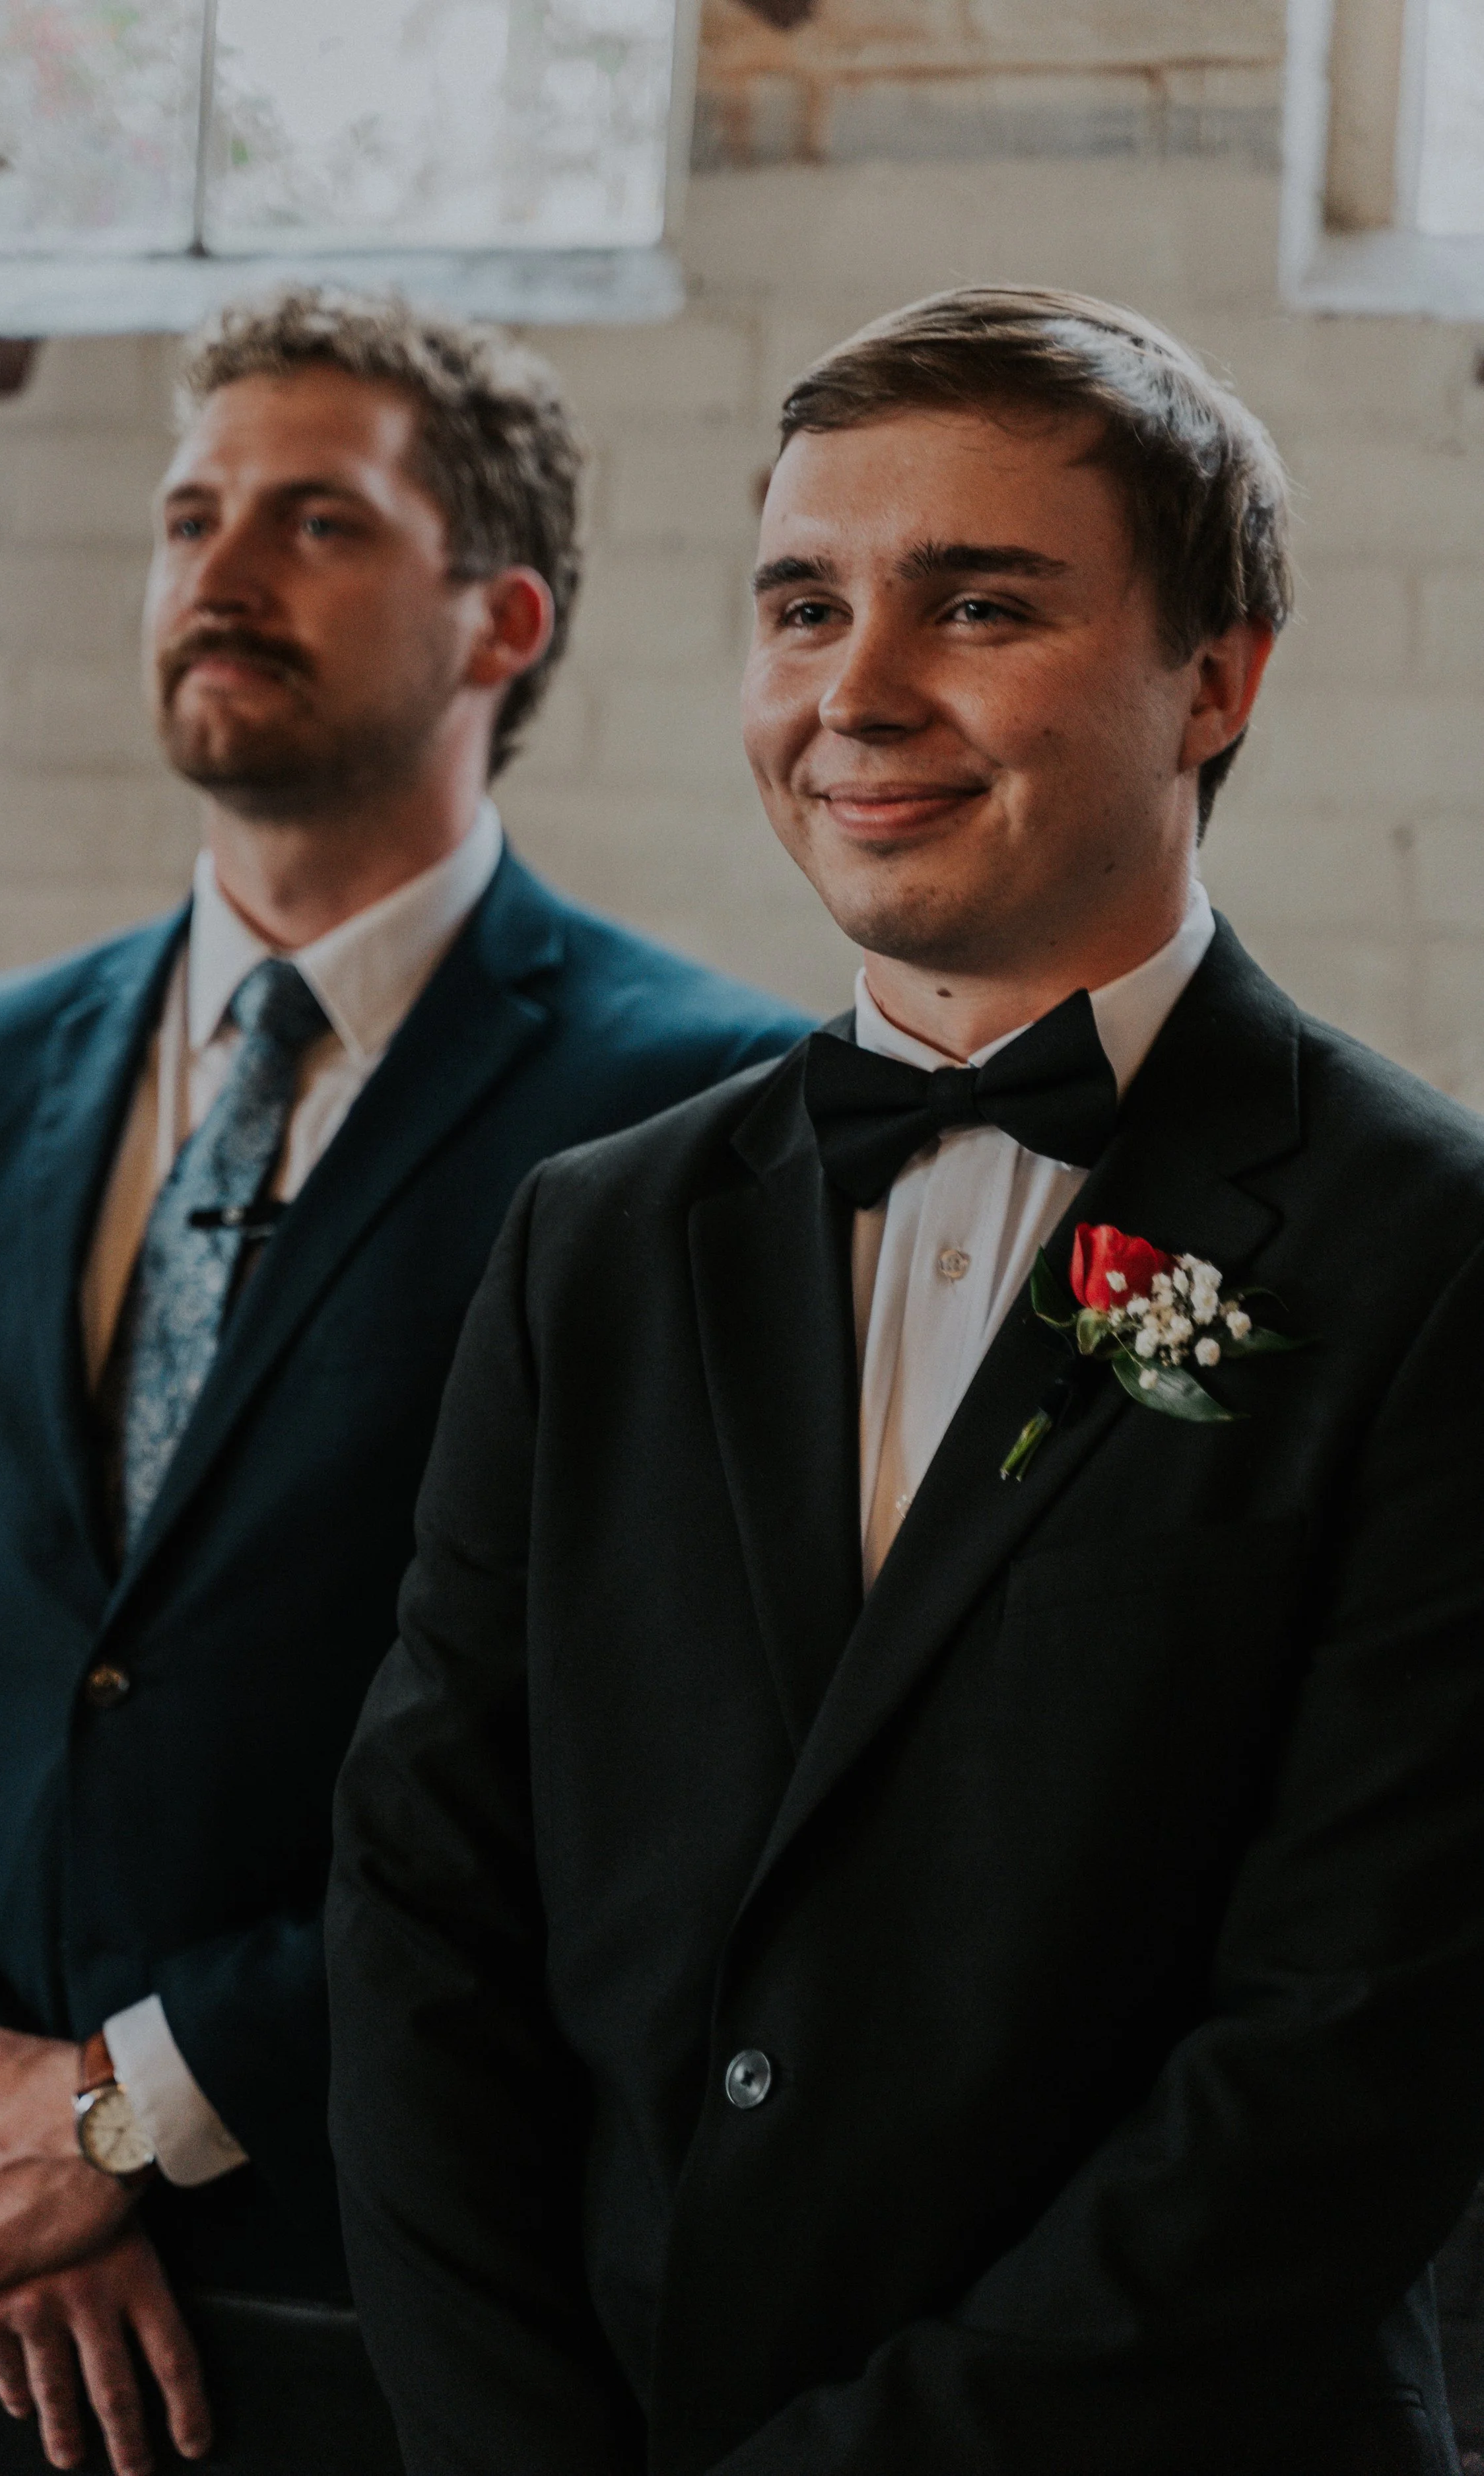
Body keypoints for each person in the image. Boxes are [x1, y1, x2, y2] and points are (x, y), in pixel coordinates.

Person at [325, 285, 1484, 2476]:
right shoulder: (595, 1240)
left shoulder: (1425, 1255)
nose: (854, 691)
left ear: (1215, 676)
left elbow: (1352, 2052)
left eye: (976, 604)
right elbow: (422, 1905)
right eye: (801, 605)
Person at [0, 286, 809, 2476]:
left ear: (502, 618)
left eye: (318, 520)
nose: (221, 567)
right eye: (188, 515)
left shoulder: (702, 1113)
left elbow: (655, 1774)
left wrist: (131, 2105)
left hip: (400, 2287)